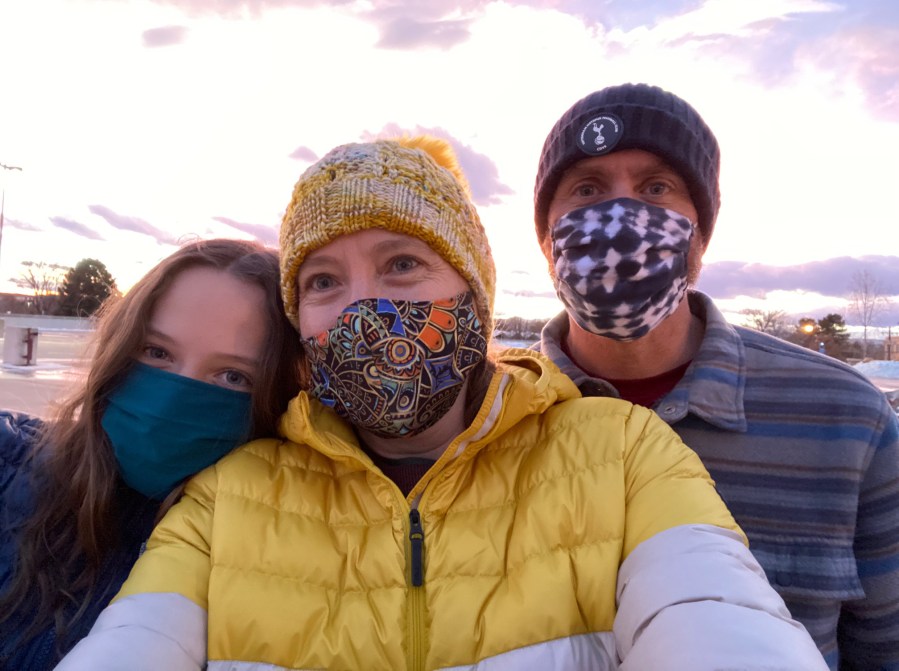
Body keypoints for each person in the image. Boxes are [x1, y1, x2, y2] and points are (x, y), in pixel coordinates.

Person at [56, 137, 825, 670]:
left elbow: (717, 615)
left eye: (402, 264)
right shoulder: (230, 498)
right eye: (323, 280)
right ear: (299, 323)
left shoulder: (621, 453)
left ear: (473, 293)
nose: (362, 307)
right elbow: (136, 638)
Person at [531, 82, 899, 669]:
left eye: (656, 187)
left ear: (700, 234)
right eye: (586, 189)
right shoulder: (491, 418)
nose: (619, 215)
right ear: (546, 240)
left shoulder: (846, 419)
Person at [0, 239, 303, 670]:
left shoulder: (278, 566)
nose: (171, 401)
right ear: (119, 350)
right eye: (157, 352)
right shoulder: (9, 465)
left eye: (233, 376)